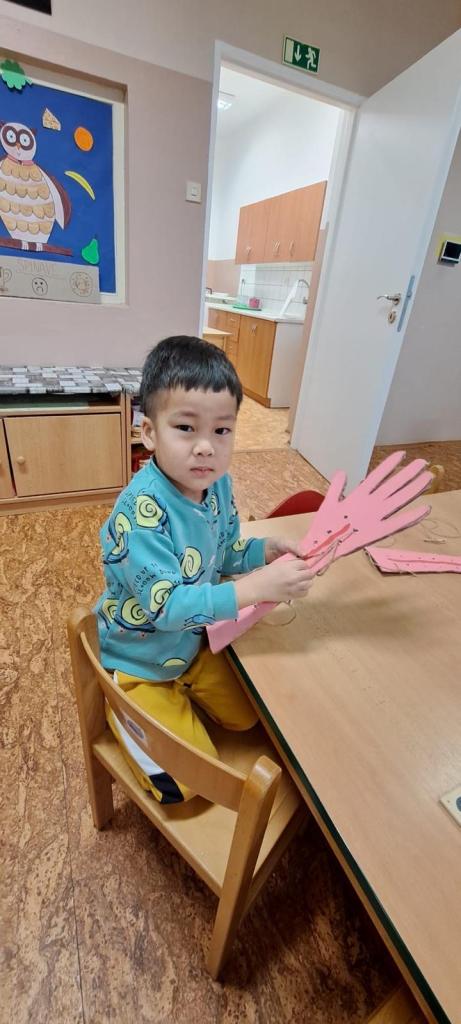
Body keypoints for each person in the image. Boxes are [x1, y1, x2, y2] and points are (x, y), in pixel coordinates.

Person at [95, 336, 315, 803]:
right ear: (149, 433)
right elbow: (168, 609)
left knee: (249, 719)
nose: (205, 448)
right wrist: (256, 589)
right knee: (184, 789)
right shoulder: (140, 514)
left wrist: (264, 552)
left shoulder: (218, 485)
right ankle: (123, 705)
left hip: (192, 645)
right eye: (185, 428)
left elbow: (226, 551)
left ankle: (183, 686)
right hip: (141, 658)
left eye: (221, 430)